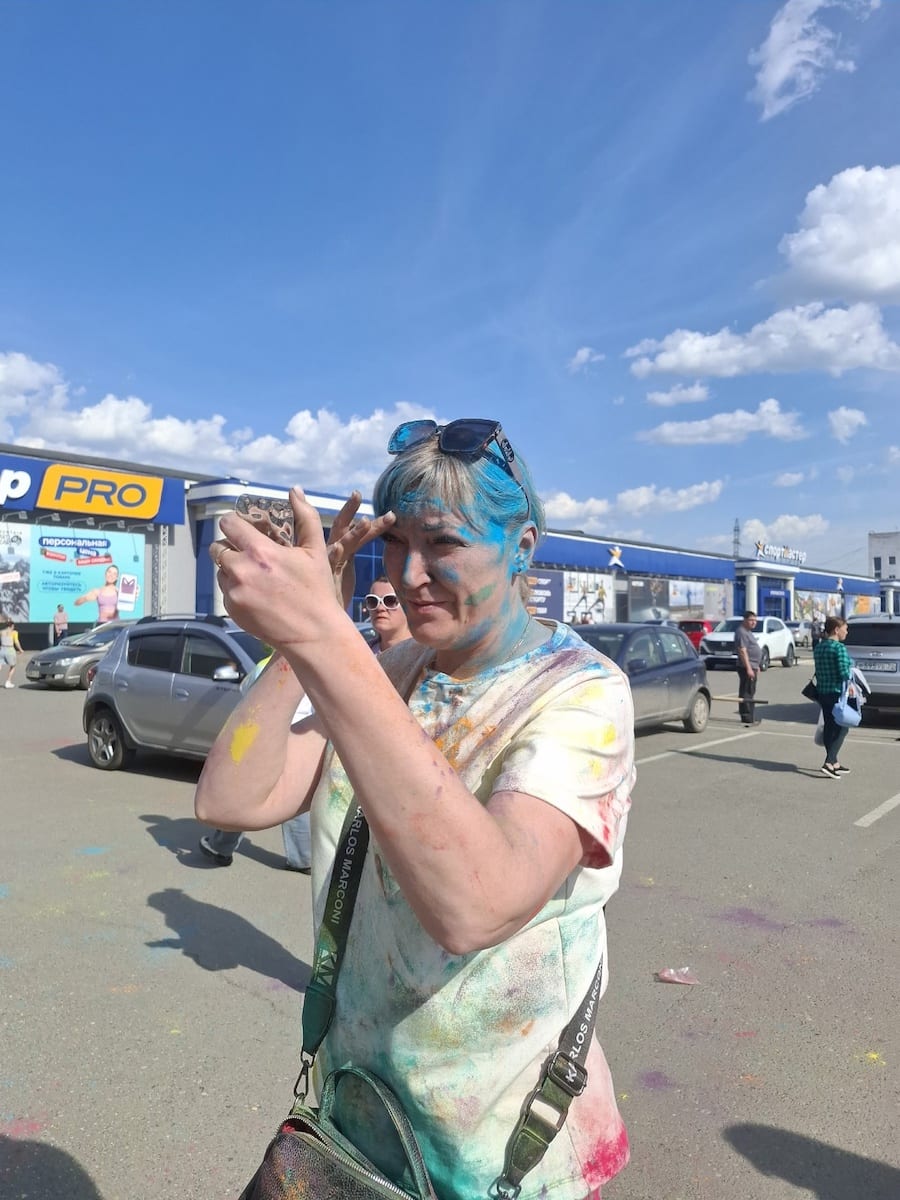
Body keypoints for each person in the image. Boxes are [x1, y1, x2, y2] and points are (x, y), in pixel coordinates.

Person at [195, 417, 635, 1200]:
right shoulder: (391, 669)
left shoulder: (581, 692)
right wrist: (299, 642)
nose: (409, 573)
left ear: (524, 547)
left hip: (504, 1159)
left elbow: (476, 905)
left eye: (444, 543)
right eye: (395, 543)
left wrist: (325, 636)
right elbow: (232, 798)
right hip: (359, 1123)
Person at [813, 615, 855, 779]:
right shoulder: (839, 648)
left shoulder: (819, 647)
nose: (847, 632)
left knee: (829, 726)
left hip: (822, 692)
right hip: (837, 693)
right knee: (843, 727)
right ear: (836, 630)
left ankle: (834, 762)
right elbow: (844, 673)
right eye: (845, 629)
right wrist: (851, 668)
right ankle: (829, 762)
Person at [363, 575, 412, 653]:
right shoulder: (361, 652)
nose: (380, 608)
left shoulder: (425, 653)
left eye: (390, 600)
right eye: (373, 601)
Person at [734, 610, 761, 725]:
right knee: (747, 692)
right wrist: (749, 668)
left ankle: (750, 716)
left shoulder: (748, 632)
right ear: (744, 620)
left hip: (753, 666)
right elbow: (742, 651)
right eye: (751, 620)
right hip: (746, 667)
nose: (754, 622)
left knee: (750, 691)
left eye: (755, 620)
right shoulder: (742, 632)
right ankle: (747, 717)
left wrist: (756, 666)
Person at [1, 617, 24, 688]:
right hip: (10, 650)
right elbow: (16, 642)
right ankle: (8, 681)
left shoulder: (1, 632)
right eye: (13, 626)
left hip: (2, 649)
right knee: (13, 666)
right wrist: (20, 649)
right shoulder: (14, 632)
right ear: (11, 626)